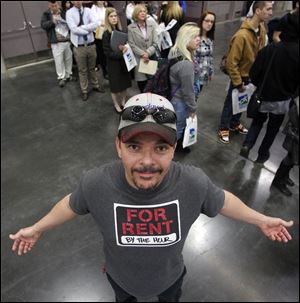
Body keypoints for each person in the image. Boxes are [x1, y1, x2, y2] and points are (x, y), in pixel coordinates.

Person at [9, 92, 294, 302]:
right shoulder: (96, 183)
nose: (147, 161)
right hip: (121, 279)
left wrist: (261, 220)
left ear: (173, 149)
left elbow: (221, 200)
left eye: (160, 148)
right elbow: (71, 204)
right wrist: (37, 228)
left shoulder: (192, 182)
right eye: (134, 146)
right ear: (118, 146)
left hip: (170, 278)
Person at [239, 11, 299, 164]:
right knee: (272, 129)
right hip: (283, 100)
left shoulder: (270, 49)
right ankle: (262, 154)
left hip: (264, 95)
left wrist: (260, 85)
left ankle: (247, 144)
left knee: (257, 122)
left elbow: (254, 72)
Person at [217, 1, 273, 144]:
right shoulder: (241, 36)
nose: (271, 12)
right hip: (240, 77)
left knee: (242, 102)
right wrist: (237, 82)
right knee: (231, 102)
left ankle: (234, 123)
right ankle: (224, 126)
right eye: (268, 9)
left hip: (251, 76)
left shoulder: (262, 29)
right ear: (258, 11)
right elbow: (232, 62)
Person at [168, 23, 200, 153]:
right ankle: (172, 149)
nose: (198, 39)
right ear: (186, 39)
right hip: (180, 101)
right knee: (179, 127)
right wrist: (193, 109)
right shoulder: (186, 64)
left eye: (198, 36)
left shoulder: (175, 52)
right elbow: (188, 92)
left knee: (174, 124)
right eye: (194, 37)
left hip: (174, 97)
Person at [66, 0, 105, 101]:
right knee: (82, 70)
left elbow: (96, 24)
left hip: (91, 45)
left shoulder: (88, 10)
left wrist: (82, 27)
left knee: (92, 67)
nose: (78, 1)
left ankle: (95, 85)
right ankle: (84, 90)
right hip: (79, 46)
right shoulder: (69, 13)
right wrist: (89, 29)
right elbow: (73, 29)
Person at [102, 8, 132, 113]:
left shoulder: (121, 31)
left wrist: (125, 47)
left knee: (124, 84)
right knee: (115, 86)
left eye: (115, 16)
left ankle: (123, 102)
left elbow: (124, 44)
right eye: (111, 16)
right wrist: (121, 53)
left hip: (123, 62)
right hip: (113, 64)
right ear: (107, 18)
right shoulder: (105, 34)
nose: (114, 18)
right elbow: (107, 52)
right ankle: (116, 104)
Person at [128, 4, 159, 93]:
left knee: (152, 83)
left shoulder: (151, 25)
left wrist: (148, 53)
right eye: (140, 11)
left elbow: (156, 43)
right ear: (136, 14)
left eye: (144, 11)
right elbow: (131, 44)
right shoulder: (130, 27)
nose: (143, 13)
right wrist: (142, 54)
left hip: (150, 58)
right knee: (142, 85)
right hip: (139, 59)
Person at [41, 1, 73, 88]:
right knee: (59, 61)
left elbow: (70, 22)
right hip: (56, 42)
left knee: (68, 59)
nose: (54, 7)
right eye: (52, 6)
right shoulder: (46, 14)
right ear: (49, 6)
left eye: (56, 5)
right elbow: (43, 25)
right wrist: (52, 22)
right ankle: (61, 77)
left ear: (58, 5)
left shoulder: (63, 12)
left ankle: (69, 75)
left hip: (66, 40)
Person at [271, 97, 299, 196]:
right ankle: (278, 181)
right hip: (296, 130)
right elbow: (294, 110)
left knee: (294, 157)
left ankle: (284, 176)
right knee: (291, 156)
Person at [194, 11, 216, 98]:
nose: (209, 24)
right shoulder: (195, 38)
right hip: (194, 76)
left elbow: (210, 57)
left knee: (196, 97)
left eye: (212, 22)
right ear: (201, 21)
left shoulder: (209, 39)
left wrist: (210, 72)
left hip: (203, 76)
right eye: (207, 21)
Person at [91, 1, 108, 79]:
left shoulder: (105, 8)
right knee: (101, 52)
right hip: (98, 32)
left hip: (106, 32)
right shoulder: (94, 8)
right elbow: (93, 20)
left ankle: (107, 69)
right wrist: (101, 23)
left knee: (106, 51)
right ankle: (104, 71)